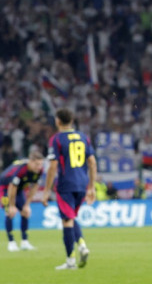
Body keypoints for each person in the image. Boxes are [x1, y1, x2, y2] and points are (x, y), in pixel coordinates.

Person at [41, 109, 97, 271]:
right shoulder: (83, 137)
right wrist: (91, 187)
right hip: (82, 184)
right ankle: (81, 247)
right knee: (70, 217)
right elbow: (92, 162)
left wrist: (47, 190)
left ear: (57, 121)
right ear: (72, 121)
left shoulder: (56, 139)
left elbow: (53, 166)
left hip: (66, 184)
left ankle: (73, 258)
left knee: (67, 221)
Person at [1, 150, 45, 252]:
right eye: (37, 164)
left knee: (25, 212)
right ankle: (11, 243)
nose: (39, 167)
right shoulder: (21, 170)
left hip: (19, 188)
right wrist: (11, 205)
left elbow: (35, 187)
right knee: (10, 213)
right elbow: (12, 187)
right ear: (30, 161)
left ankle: (24, 242)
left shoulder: (39, 171)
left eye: (41, 164)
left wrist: (27, 204)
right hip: (5, 187)